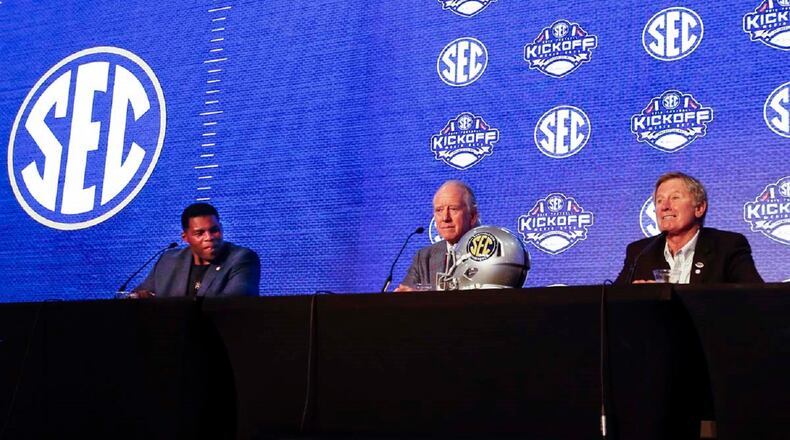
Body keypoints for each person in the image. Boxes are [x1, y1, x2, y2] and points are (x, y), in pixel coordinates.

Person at [615, 172, 763, 284]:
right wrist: (637, 296)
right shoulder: (640, 252)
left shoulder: (727, 246)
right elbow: (613, 301)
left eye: (675, 198)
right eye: (659, 200)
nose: (665, 206)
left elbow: (754, 299)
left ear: (699, 208)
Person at [132, 203, 260, 297]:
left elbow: (233, 304)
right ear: (185, 237)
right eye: (199, 233)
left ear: (221, 228)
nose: (209, 238)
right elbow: (139, 294)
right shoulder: (168, 261)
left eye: (214, 230)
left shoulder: (241, 258)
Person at [395, 180, 480, 292]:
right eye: (439, 210)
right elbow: (407, 291)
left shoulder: (490, 251)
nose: (445, 218)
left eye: (453, 209)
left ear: (473, 215)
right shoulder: (424, 257)